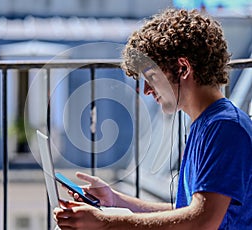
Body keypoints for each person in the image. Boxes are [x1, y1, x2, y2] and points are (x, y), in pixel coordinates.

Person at [54, 8, 252, 229]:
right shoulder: (207, 125)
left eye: (152, 77)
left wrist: (107, 222)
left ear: (183, 68)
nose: (146, 90)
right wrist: (115, 200)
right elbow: (185, 213)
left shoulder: (225, 128)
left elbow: (201, 221)